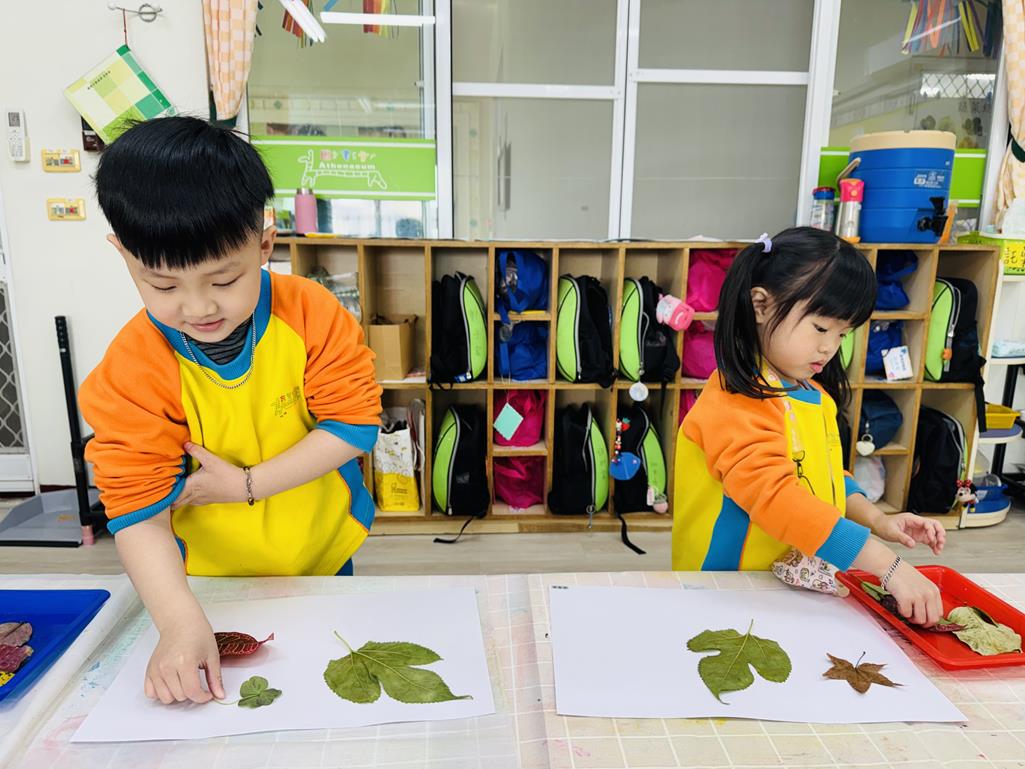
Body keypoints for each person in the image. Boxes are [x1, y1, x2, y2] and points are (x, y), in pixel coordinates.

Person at [81, 116, 382, 705]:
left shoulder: (311, 313)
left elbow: (353, 425)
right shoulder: (132, 369)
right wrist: (177, 622)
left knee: (324, 690)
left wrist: (246, 484)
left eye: (223, 280)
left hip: (321, 552)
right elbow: (137, 510)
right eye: (163, 286)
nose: (198, 308)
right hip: (206, 582)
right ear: (123, 255)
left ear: (264, 242)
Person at [673, 227, 944, 624]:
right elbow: (776, 497)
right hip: (726, 588)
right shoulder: (736, 399)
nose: (829, 347)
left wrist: (877, 520)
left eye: (842, 334)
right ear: (761, 306)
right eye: (820, 328)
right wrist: (886, 563)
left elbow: (826, 479)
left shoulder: (814, 395)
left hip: (784, 586)